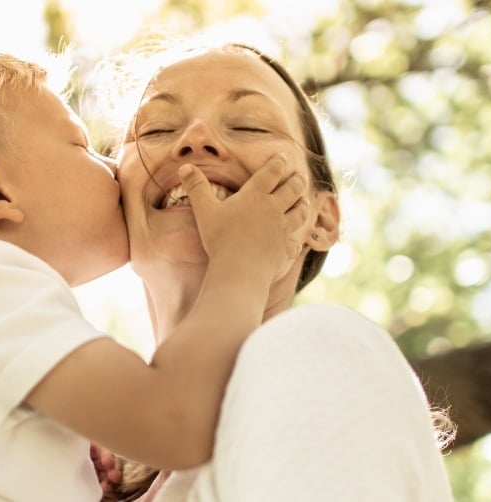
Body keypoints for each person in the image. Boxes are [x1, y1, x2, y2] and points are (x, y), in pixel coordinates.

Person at [0, 52, 315, 500]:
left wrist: (54, 445)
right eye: (81, 147)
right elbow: (176, 420)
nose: (111, 168)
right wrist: (241, 261)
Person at [94, 42, 454, 501]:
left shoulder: (321, 349)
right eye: (157, 129)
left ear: (322, 219)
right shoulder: (81, 467)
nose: (196, 138)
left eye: (250, 125)